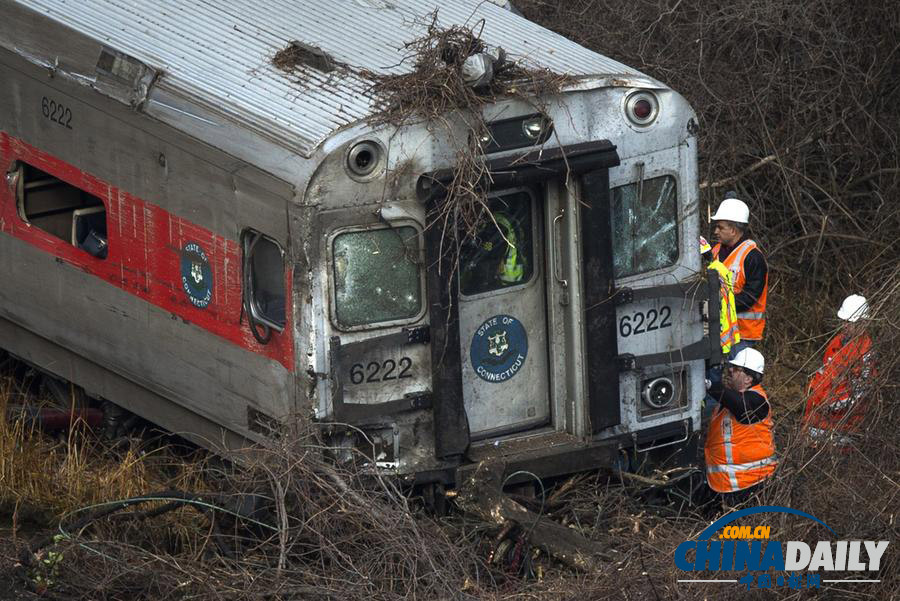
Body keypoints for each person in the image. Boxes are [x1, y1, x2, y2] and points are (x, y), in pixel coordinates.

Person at [705, 347, 776, 506]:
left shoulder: (757, 401)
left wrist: (709, 385)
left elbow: (740, 405)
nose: (730, 371)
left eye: (736, 369)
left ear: (748, 379)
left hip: (751, 485)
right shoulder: (728, 401)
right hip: (728, 485)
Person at [803, 294, 874, 445]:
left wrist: (829, 405)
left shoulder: (865, 353)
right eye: (844, 322)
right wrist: (813, 393)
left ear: (863, 323)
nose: (845, 326)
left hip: (843, 424)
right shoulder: (837, 342)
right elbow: (825, 373)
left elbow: (860, 393)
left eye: (850, 323)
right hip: (820, 417)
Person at [709, 192, 768, 348]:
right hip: (717, 330)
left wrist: (716, 304)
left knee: (737, 373)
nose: (716, 232)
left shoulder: (753, 257)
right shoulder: (714, 252)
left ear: (733, 230)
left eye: (720, 227)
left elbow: (750, 297)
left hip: (743, 334)